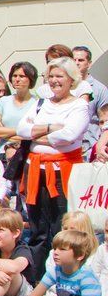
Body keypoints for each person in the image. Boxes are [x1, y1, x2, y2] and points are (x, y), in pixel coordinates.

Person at [16, 57, 89, 271]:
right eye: (51, 76)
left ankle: (62, 273)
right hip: (35, 171)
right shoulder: (41, 104)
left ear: (71, 79)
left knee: (61, 225)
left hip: (62, 173)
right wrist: (50, 127)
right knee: (38, 227)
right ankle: (37, 275)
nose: (55, 80)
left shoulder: (79, 105)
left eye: (60, 76)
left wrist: (37, 135)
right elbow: (21, 130)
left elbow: (69, 135)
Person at [0, 62, 38, 155]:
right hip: (2, 152)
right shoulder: (3, 102)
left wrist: (4, 132)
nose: (17, 79)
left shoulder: (37, 103)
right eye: (14, 76)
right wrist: (23, 132)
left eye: (22, 76)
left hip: (28, 153)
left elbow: (37, 134)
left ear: (30, 79)